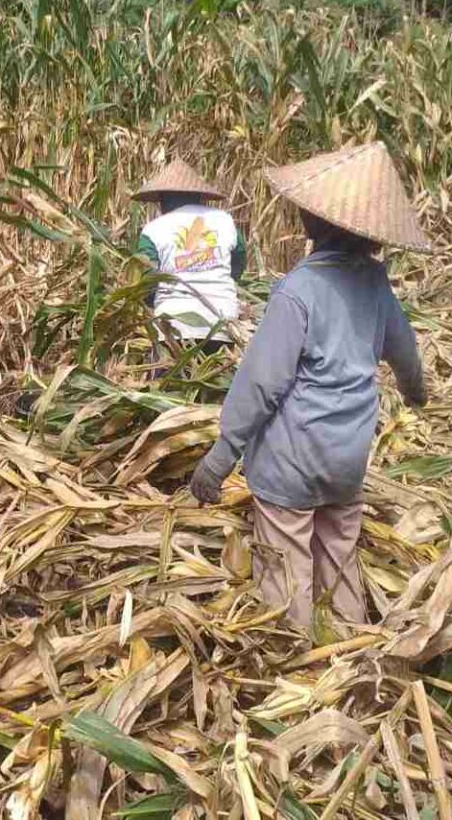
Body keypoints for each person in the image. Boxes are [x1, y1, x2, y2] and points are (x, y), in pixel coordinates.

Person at [189, 142, 429, 630]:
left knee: (284, 564)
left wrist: (220, 457)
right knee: (338, 557)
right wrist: (416, 392)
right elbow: (405, 353)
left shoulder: (298, 291)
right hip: (347, 460)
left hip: (292, 464)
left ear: (318, 223)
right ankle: (349, 649)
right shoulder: (376, 287)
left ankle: (294, 660)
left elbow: (262, 383)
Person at [134, 159, 246, 351]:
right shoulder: (225, 220)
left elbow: (148, 282)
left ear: (162, 199)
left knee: (170, 379)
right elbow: (239, 261)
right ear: (200, 196)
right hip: (221, 323)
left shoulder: (153, 230)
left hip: (173, 326)